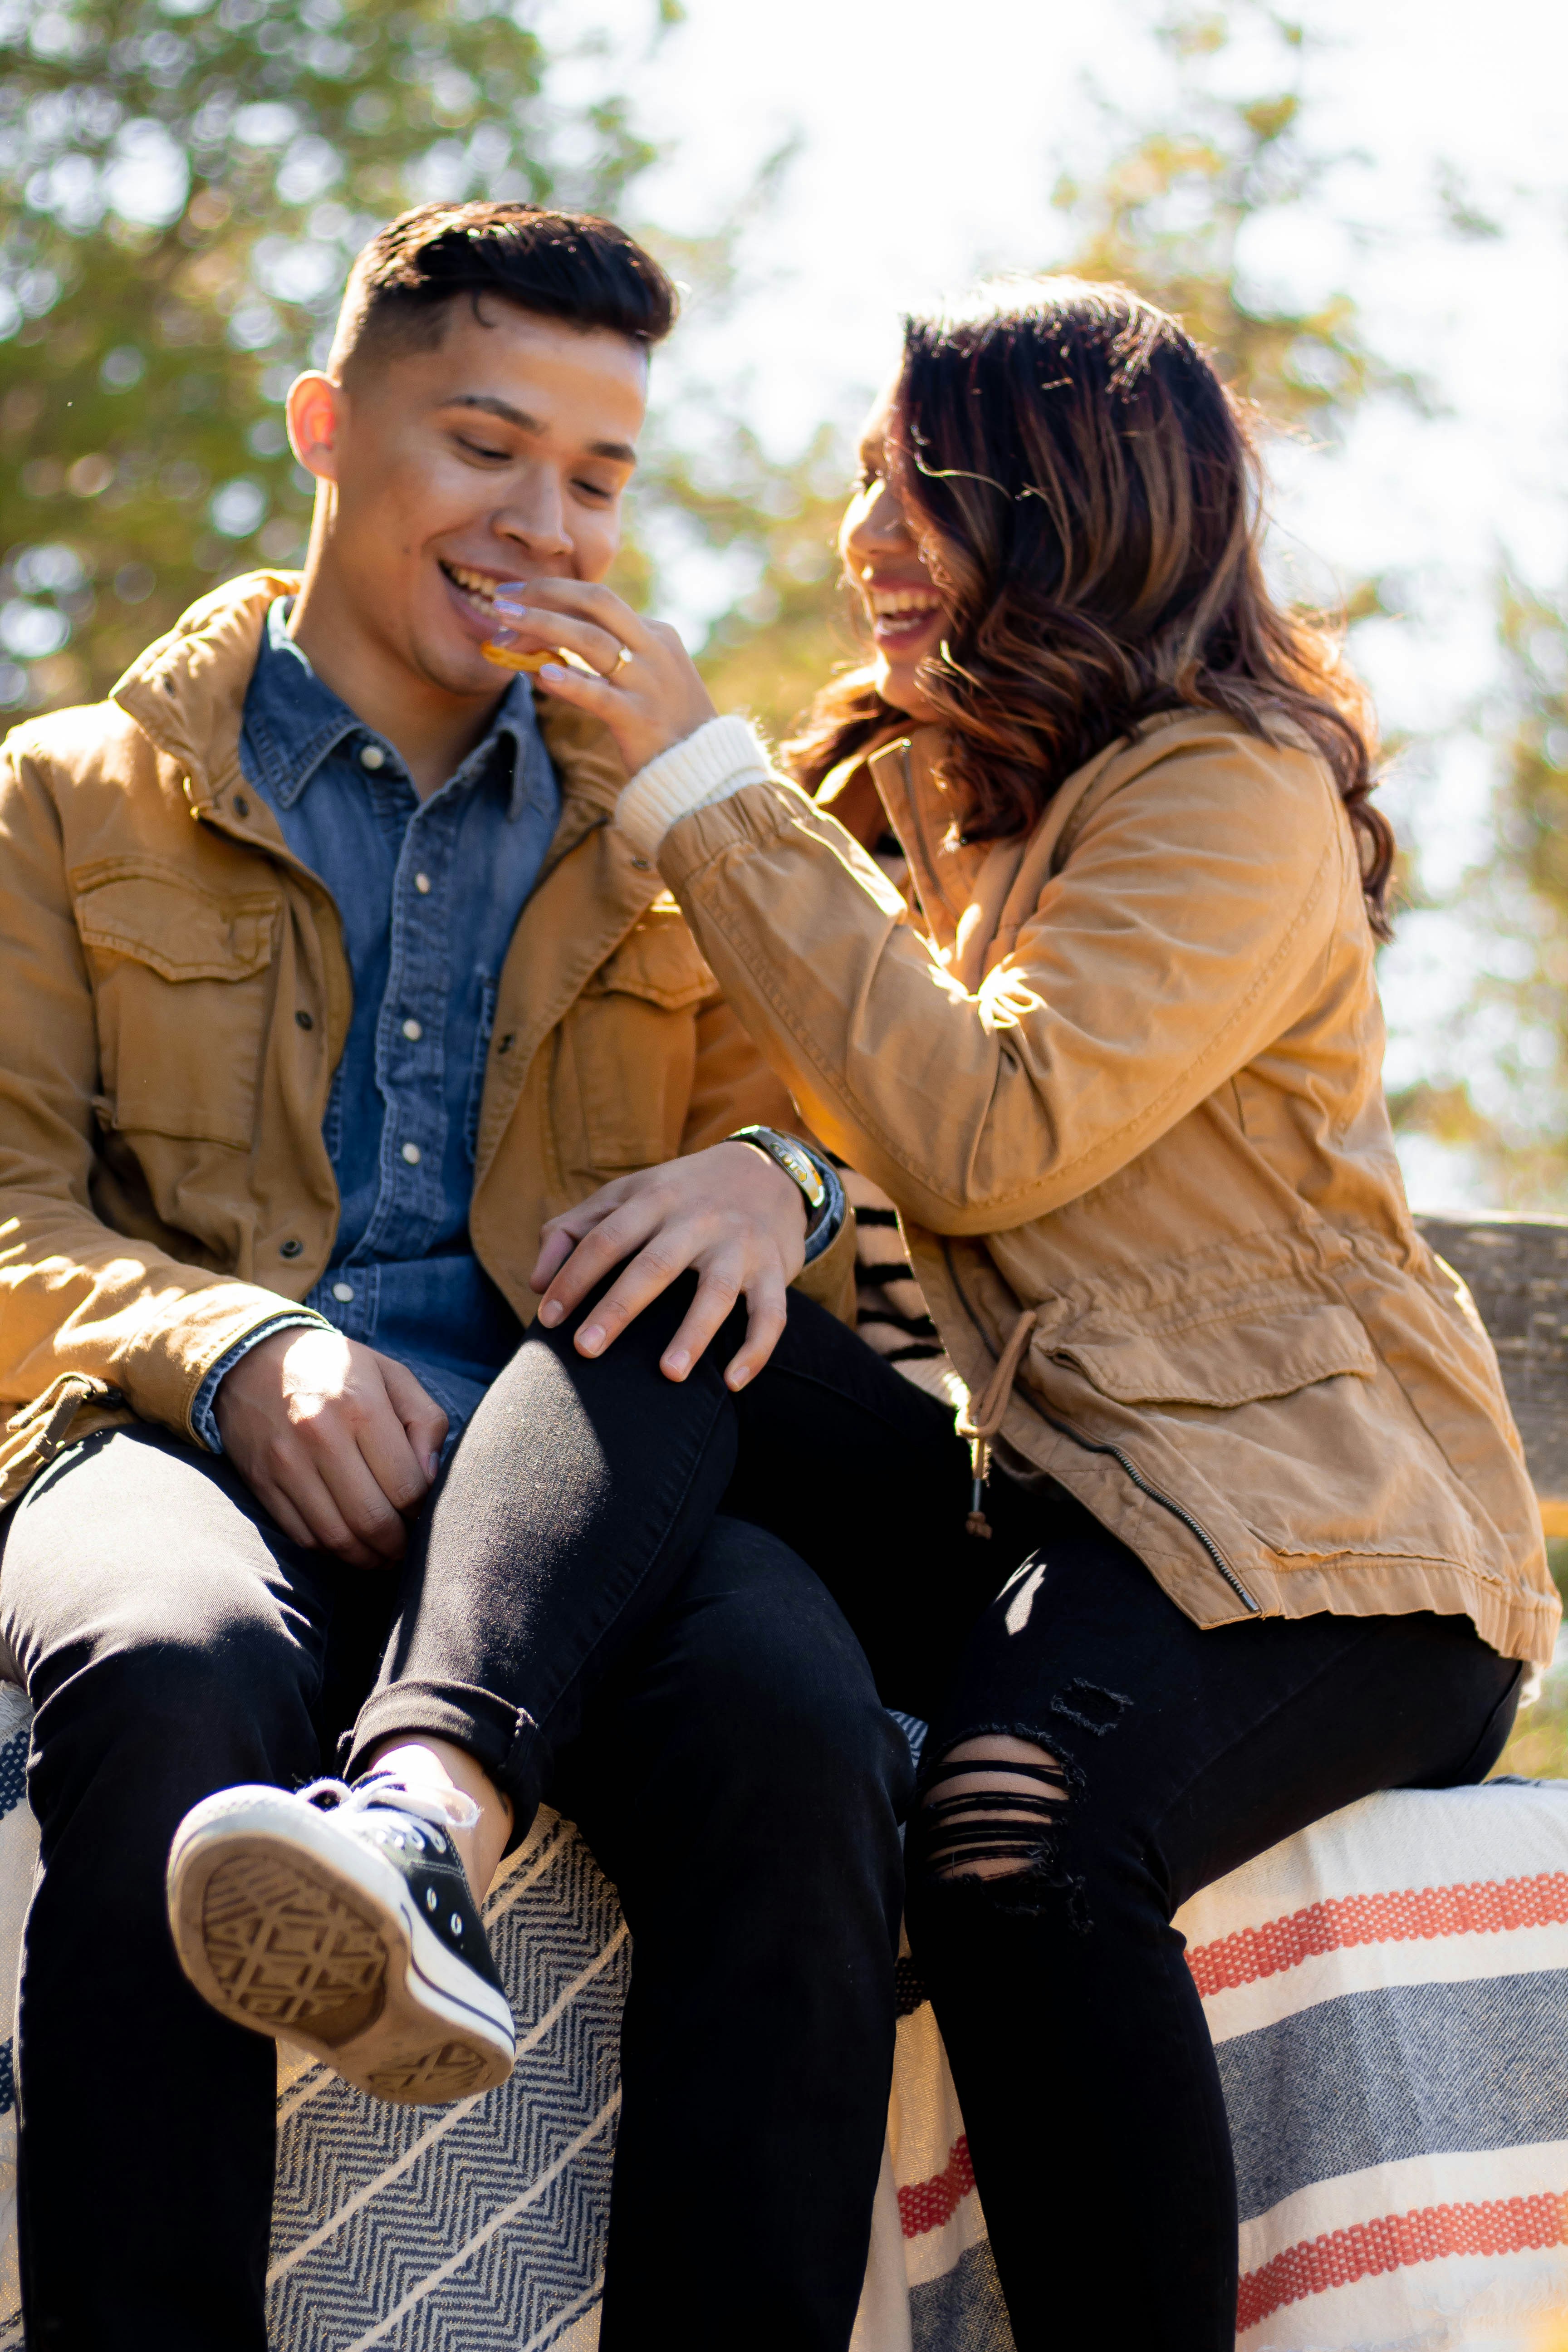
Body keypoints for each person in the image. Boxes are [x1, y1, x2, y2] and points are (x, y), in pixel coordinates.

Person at [199, 277, 1556, 2352]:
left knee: (1019, 1852)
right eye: (861, 489)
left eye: (924, 492)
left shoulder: (1230, 790)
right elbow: (778, 1079)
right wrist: (775, 1177)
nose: (867, 545)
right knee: (654, 1280)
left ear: (1077, 508)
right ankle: (423, 1819)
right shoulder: (900, 799)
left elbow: (992, 1118)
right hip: (1073, 1515)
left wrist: (698, 790)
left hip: (1326, 1552)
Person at [0, 200, 919, 2352]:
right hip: (165, 1445)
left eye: (599, 478)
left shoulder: (680, 832)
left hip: (581, 1490)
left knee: (795, 1723)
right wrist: (233, 1355)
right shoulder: (63, 799)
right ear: (329, 428)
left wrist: (770, 1180)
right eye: (485, 447)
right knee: (169, 1670)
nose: (547, 523)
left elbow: (845, 1145)